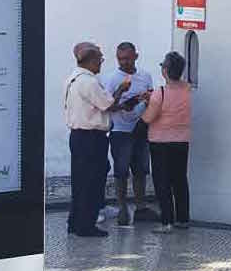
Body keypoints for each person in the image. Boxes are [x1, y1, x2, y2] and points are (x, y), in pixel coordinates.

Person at [64, 42, 134, 237]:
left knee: (80, 182)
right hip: (91, 138)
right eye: (100, 59)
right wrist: (121, 89)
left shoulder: (72, 78)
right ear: (91, 61)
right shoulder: (89, 82)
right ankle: (86, 225)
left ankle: (75, 222)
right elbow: (108, 105)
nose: (102, 62)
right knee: (92, 182)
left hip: (78, 137)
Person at [101, 42, 153, 226]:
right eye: (120, 59)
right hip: (119, 130)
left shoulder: (145, 76)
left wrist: (145, 101)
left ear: (136, 56)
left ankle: (141, 207)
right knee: (121, 171)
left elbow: (151, 99)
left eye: (128, 58)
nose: (124, 62)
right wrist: (123, 103)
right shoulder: (111, 79)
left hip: (140, 129)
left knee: (140, 170)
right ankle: (122, 207)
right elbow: (106, 106)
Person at [142, 51, 192, 233]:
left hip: (160, 142)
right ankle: (183, 218)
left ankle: (167, 221)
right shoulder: (188, 89)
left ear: (165, 70)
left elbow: (148, 118)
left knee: (162, 182)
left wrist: (147, 104)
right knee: (180, 180)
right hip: (182, 140)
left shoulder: (160, 93)